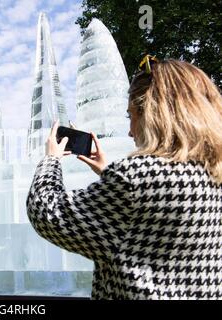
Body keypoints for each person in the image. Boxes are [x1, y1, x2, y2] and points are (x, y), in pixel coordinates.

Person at [26, 56, 222, 299]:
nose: (130, 130)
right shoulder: (212, 174)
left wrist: (51, 160)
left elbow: (47, 213)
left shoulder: (137, 178)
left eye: (131, 116)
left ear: (153, 113)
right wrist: (109, 172)